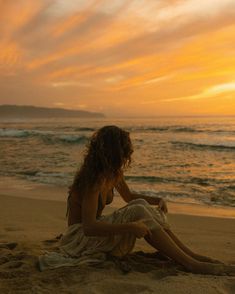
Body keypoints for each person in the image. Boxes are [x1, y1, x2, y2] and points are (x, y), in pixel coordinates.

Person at [39, 125, 235, 275]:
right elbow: (89, 227)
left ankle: (191, 256)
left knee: (140, 205)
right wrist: (131, 228)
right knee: (138, 211)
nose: (128, 154)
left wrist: (157, 199)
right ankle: (191, 263)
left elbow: (130, 197)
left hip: (91, 235)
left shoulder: (112, 173)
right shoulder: (94, 180)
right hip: (78, 239)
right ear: (114, 151)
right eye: (124, 149)